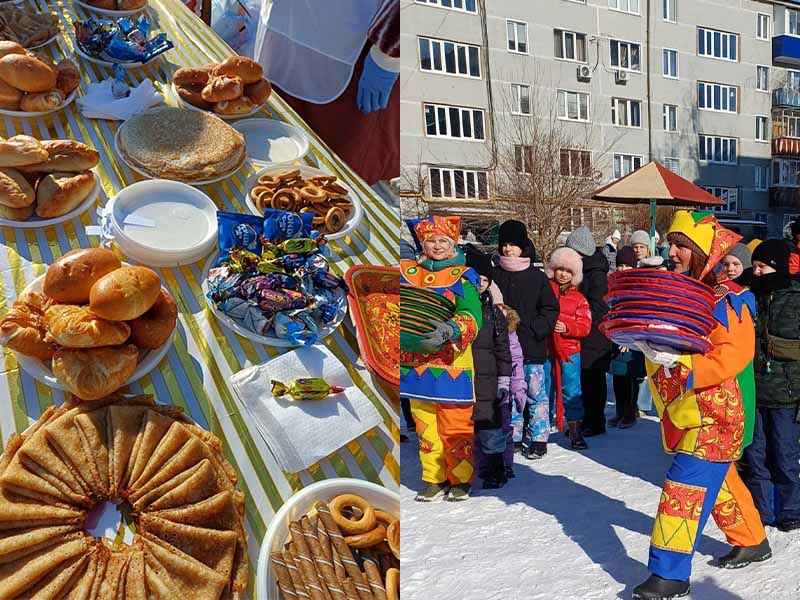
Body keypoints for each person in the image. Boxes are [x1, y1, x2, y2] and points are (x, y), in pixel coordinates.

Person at [632, 211, 770, 600]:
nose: (672, 252)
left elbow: (734, 355)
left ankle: (669, 574)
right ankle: (752, 539)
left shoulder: (732, 299)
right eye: (672, 244)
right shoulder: (679, 289)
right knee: (721, 480)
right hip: (686, 408)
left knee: (684, 490)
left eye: (681, 247)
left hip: (717, 414)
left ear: (702, 253)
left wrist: (681, 363)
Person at [254, 0, 398, 185]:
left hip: (354, 42)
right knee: (273, 134)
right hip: (282, 24)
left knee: (334, 173)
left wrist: (388, 53)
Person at [400, 216, 482, 502]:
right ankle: (433, 478)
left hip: (451, 363)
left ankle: (460, 478)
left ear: (452, 244)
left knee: (455, 424)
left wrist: (452, 328)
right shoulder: (408, 272)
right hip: (415, 363)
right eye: (431, 241)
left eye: (442, 241)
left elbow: (473, 313)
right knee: (424, 423)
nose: (436, 246)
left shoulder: (463, 275)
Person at [741, 239, 800, 532]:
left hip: (788, 394)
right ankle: (761, 510)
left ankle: (790, 510)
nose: (757, 272)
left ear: (776, 267)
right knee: (756, 455)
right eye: (754, 267)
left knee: (786, 455)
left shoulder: (796, 298)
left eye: (762, 267)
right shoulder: (750, 297)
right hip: (753, 391)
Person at [492, 220, 559, 460]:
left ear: (523, 246)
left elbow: (551, 309)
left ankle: (540, 437)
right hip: (503, 349)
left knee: (535, 393)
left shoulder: (536, 276)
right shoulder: (495, 273)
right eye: (505, 244)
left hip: (531, 347)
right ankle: (515, 435)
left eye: (513, 244)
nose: (508, 249)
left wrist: (536, 328)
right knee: (510, 395)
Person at [467, 262, 512, 490]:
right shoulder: (457, 310)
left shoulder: (494, 314)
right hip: (464, 378)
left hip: (488, 379)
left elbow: (503, 349)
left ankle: (496, 469)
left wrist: (504, 379)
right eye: (474, 279)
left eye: (484, 280)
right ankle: (468, 471)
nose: (479, 284)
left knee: (489, 428)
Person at [565, 226, 612, 437]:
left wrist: (580, 318)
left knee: (593, 380)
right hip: (583, 333)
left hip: (595, 334)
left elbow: (598, 305)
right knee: (583, 380)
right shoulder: (581, 269)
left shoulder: (596, 273)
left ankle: (595, 421)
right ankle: (584, 419)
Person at [544, 247, 592, 450]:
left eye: (568, 271)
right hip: (546, 350)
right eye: (560, 269)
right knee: (544, 390)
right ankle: (541, 429)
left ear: (574, 275)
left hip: (569, 351)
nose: (563, 274)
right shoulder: (545, 292)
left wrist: (568, 328)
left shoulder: (579, 299)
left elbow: (585, 326)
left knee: (572, 391)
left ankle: (575, 431)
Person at [607, 246, 646, 429]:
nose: (622, 269)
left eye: (626, 265)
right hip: (616, 336)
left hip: (632, 339)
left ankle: (631, 412)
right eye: (619, 265)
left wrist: (629, 338)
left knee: (630, 376)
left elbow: (639, 314)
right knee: (617, 375)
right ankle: (620, 411)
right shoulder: (613, 284)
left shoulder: (637, 286)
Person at [500, 305, 526, 479]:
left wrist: (518, 388)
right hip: (480, 383)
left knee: (504, 426)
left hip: (504, 385)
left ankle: (506, 464)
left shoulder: (510, 335)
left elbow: (516, 362)